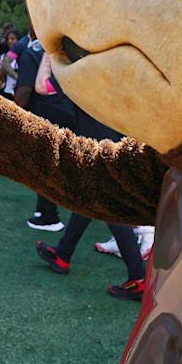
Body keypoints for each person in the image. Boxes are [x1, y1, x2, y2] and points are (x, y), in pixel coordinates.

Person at [35, 104, 148, 300]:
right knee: (88, 203)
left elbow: (44, 87)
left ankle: (138, 277)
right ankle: (63, 254)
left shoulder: (84, 74)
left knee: (107, 210)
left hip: (102, 147)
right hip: (111, 143)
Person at [15, 32, 74, 232]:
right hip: (68, 112)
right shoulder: (67, 47)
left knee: (44, 165)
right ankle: (45, 208)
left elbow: (24, 92)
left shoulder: (35, 50)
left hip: (46, 113)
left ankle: (50, 216)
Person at [0, 29, 21, 101]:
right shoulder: (4, 56)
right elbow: (1, 76)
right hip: (8, 91)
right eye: (8, 39)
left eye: (12, 39)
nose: (9, 41)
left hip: (20, 91)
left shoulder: (24, 55)